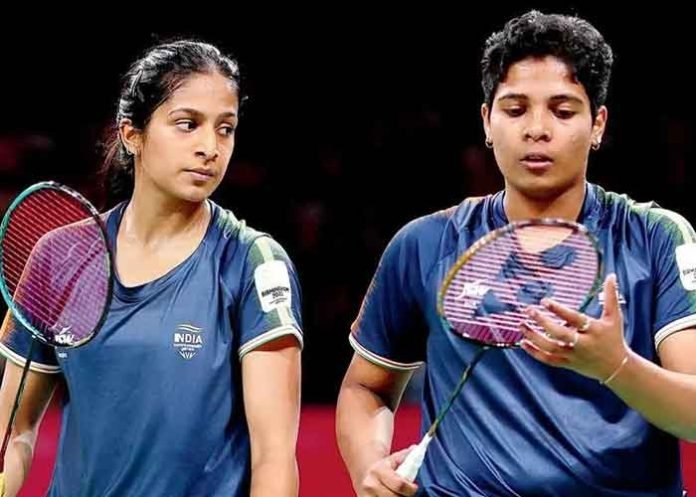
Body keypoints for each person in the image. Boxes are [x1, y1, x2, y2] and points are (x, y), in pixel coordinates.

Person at [336, 10, 696, 496]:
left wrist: (616, 366)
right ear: (487, 121)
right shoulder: (425, 244)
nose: (537, 129)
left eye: (563, 112)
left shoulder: (655, 238)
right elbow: (365, 386)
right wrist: (369, 464)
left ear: (598, 124)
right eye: (515, 109)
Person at [0, 39, 303, 497]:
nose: (210, 147)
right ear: (132, 134)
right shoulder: (59, 257)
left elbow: (273, 458)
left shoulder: (253, 264)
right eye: (187, 124)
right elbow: (14, 430)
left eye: (225, 129)